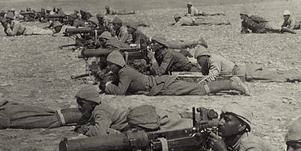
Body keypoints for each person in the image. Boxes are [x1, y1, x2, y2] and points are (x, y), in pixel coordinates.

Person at [101, 51, 250, 96]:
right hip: (162, 83)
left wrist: (107, 85)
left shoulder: (124, 73)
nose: (109, 68)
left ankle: (232, 84)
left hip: (163, 86)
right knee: (199, 87)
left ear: (117, 65)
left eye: (110, 66)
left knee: (200, 90)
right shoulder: (124, 71)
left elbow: (120, 91)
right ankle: (231, 84)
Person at [74, 86, 189, 136]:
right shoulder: (97, 108)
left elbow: (101, 133)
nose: (79, 107)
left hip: (144, 118)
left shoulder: (100, 111)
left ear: (92, 102)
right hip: (142, 116)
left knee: (177, 124)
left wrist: (88, 130)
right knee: (174, 119)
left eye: (82, 104)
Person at [194, 46, 301, 84]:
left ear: (205, 57)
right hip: (245, 70)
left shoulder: (213, 60)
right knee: (275, 73)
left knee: (275, 77)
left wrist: (200, 82)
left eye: (199, 60)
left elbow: (213, 75)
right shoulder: (211, 59)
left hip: (245, 72)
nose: (199, 64)